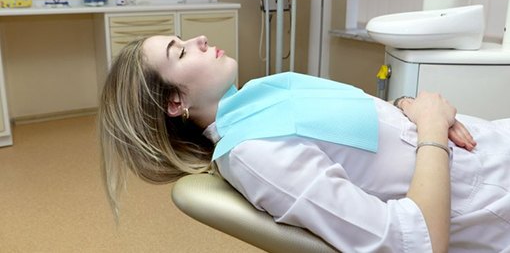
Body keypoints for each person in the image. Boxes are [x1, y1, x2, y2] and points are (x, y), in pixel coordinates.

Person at [99, 34, 510, 252]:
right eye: (182, 52)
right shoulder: (252, 153)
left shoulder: (258, 95)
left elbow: (361, 126)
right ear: (176, 101)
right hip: (492, 196)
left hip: (488, 144)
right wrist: (433, 128)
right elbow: (412, 244)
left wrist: (408, 106)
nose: (200, 39)